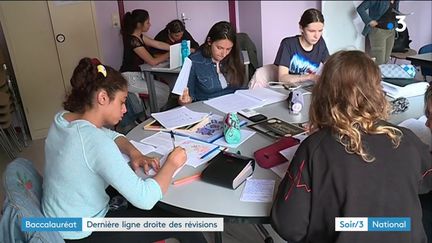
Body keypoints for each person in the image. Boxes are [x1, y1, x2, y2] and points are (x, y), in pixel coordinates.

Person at [271, 50, 432, 243]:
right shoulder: (407, 139)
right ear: (378, 92)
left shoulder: (314, 148)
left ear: (324, 93)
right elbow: (425, 184)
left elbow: (289, 227)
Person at [42, 58, 207, 243]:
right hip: (82, 232)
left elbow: (112, 137)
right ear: (103, 98)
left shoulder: (63, 119)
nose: (125, 109)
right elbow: (145, 199)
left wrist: (134, 153)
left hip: (60, 218)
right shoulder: (94, 141)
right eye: (122, 102)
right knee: (187, 225)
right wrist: (171, 164)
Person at [177, 21, 244, 105]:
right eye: (219, 48)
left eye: (228, 49)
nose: (224, 54)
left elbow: (241, 89)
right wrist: (184, 101)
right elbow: (187, 98)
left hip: (234, 105)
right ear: (209, 41)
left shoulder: (235, 56)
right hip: (206, 109)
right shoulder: (194, 61)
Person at [120, 9, 170, 110]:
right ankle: (149, 116)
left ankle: (150, 112)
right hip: (130, 78)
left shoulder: (140, 37)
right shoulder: (133, 41)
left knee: (166, 89)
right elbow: (152, 61)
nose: (150, 24)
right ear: (139, 25)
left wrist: (176, 47)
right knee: (162, 94)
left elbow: (158, 44)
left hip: (138, 76)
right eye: (147, 22)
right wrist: (170, 53)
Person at [274, 8, 329, 85]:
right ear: (301, 28)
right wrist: (310, 77)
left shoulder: (320, 43)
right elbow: (282, 78)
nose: (317, 36)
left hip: (309, 88)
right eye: (311, 31)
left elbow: (331, 66)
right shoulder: (288, 44)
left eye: (320, 31)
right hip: (289, 88)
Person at [357, 0, 400, 65]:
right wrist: (369, 21)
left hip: (391, 32)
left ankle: (380, 74)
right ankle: (374, 75)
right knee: (379, 61)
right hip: (379, 32)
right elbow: (360, 8)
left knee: (386, 59)